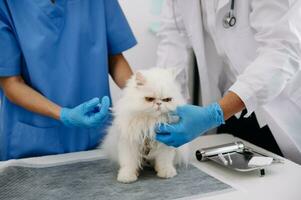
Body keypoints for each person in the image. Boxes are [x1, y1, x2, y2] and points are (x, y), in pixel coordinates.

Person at [155, 0, 301, 163]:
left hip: (281, 101)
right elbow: (173, 42)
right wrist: (163, 100)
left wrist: (214, 114)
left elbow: (282, 52)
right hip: (232, 105)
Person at [0, 0, 136, 161]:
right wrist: (64, 114)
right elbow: (11, 83)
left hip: (96, 138)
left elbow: (115, 58)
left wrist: (141, 93)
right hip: (33, 146)